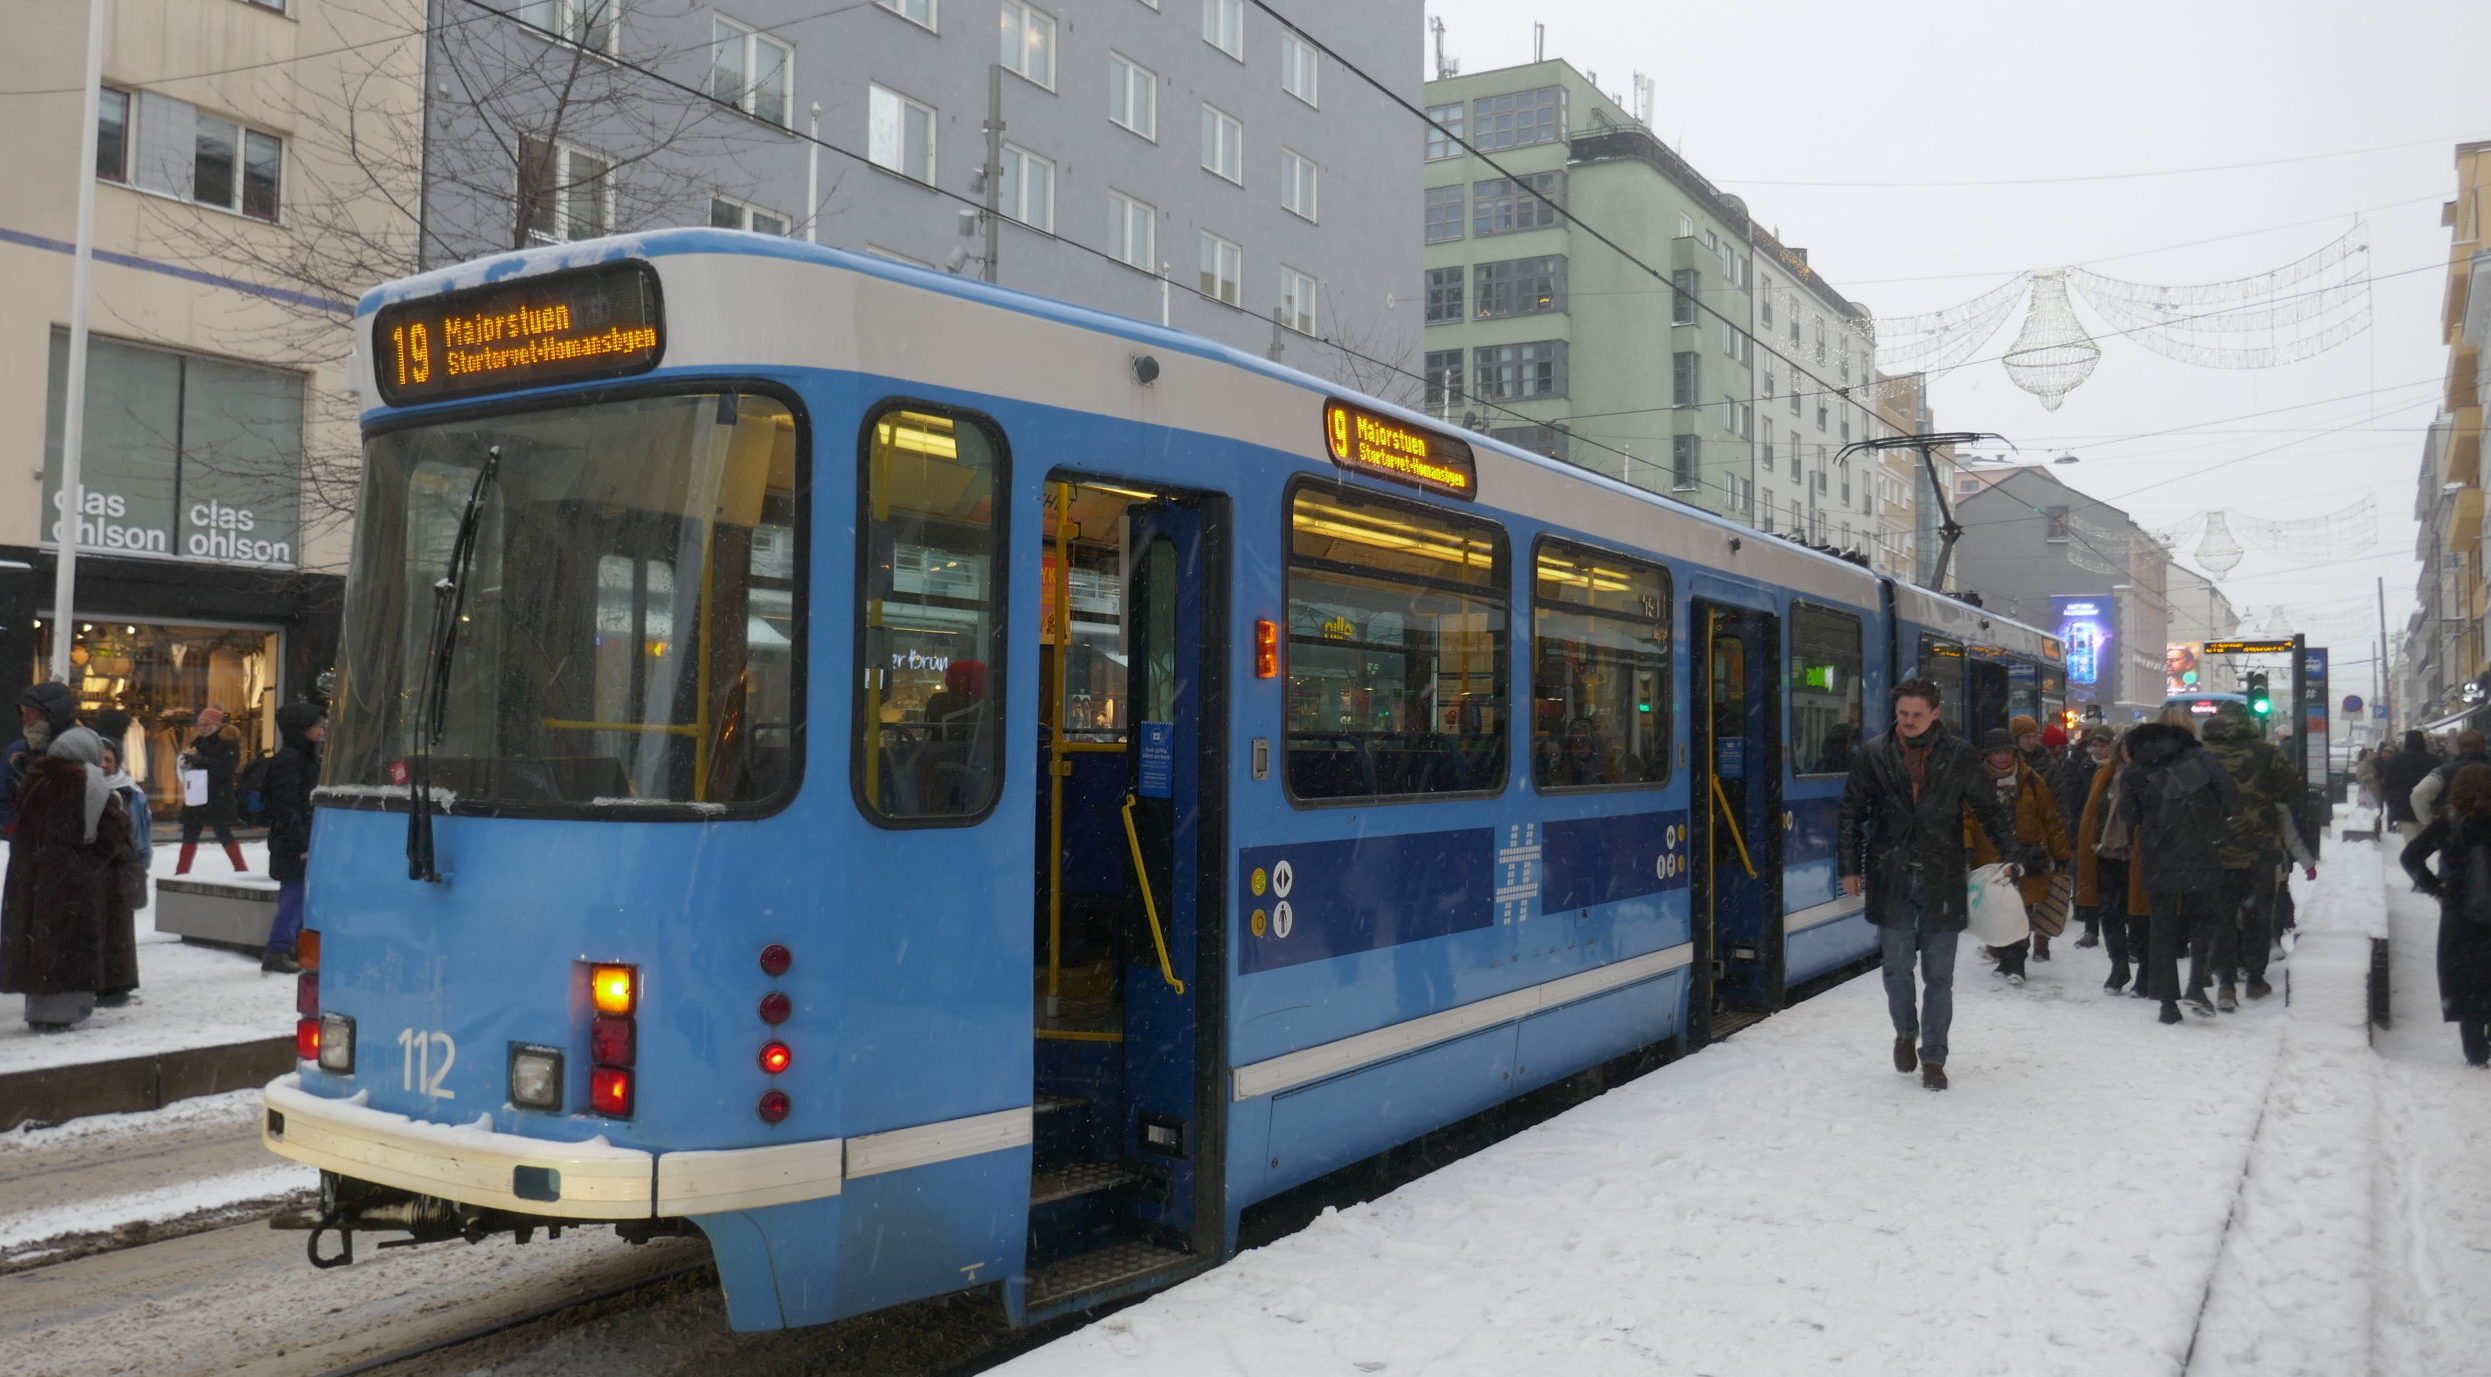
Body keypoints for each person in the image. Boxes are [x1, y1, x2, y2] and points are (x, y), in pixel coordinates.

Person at [1838, 678, 2019, 1091]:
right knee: (1896, 966)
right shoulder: (1873, 754)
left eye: (1918, 714)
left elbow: (1989, 809)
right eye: (1903, 714)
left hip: (1942, 874)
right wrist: (1849, 867)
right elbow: (1851, 812)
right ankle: (1905, 1030)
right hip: (1890, 873)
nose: (1909, 721)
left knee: (1939, 975)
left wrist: (2012, 856)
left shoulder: (1960, 755)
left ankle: (1934, 1057)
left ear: (1935, 714)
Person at [1, 726, 146, 1031]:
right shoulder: (88, 782)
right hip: (73, 880)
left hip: (34, 877)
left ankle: (42, 1012)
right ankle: (63, 1013)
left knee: (42, 945)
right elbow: (111, 834)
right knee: (69, 946)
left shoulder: (35, 779)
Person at [2119, 719, 2241, 1024]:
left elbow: (2128, 815)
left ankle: (2167, 1003)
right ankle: (2196, 985)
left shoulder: (2135, 769)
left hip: (2157, 853)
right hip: (2200, 849)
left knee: (2161, 926)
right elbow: (2230, 795)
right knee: (2206, 916)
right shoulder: (2200, 757)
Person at [2199, 703, 2305, 1009]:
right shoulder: (2268, 753)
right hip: (2260, 849)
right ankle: (2256, 979)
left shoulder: (2202, 754)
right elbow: (2292, 791)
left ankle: (2226, 985)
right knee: (2259, 914)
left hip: (2215, 848)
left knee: (2221, 916)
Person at [2398, 763, 2491, 1067]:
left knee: (2467, 977)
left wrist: (2436, 888)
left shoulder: (2449, 823)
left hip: (2461, 912)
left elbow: (2410, 856)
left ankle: (2475, 1045)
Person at [1965, 727, 2073, 983]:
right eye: (1996, 753)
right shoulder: (1975, 783)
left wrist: (2060, 854)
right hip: (1990, 857)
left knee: (2021, 909)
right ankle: (2004, 958)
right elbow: (1966, 818)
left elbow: (2051, 819)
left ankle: (2017, 963)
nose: (2002, 757)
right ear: (1987, 756)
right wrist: (1967, 846)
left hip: (2026, 856)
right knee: (1996, 910)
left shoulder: (2032, 781)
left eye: (2006, 752)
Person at [2078, 733, 2154, 996]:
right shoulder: (2105, 776)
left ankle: (2145, 971)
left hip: (2139, 857)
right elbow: (2092, 814)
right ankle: (2119, 966)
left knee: (2140, 916)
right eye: (2124, 746)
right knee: (2110, 914)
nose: (2128, 751)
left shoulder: (2153, 776)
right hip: (2107, 854)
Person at [261, 703, 325, 975]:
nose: (322, 730)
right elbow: (287, 805)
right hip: (294, 841)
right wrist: (300, 844)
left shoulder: (303, 757)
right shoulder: (291, 760)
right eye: (317, 725)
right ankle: (277, 949)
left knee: (300, 894)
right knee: (295, 894)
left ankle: (290, 947)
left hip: (302, 837)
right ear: (303, 729)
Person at [175, 705, 248, 875]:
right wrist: (186, 761)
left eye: (206, 725)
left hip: (217, 796)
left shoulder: (228, 743)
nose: (202, 728)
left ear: (216, 725)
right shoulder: (197, 742)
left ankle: (241, 869)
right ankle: (181, 872)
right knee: (190, 833)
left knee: (223, 832)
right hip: (197, 794)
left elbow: (225, 770)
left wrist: (201, 760)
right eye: (200, 724)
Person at [5, 682, 78, 839]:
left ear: (51, 714)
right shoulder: (19, 750)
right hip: (26, 842)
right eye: (23, 712)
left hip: (65, 844)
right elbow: (2, 794)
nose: (25, 718)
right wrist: (17, 828)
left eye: (31, 711)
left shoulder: (73, 749)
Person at [2409, 730, 2489, 829]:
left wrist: (2430, 822)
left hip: (2455, 829)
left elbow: (2419, 793)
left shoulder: (2444, 771)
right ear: (2483, 746)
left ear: (2459, 746)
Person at [2383, 730, 2439, 842]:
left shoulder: (2395, 760)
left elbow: (2388, 784)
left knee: (2411, 843)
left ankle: (2414, 858)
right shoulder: (2433, 760)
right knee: (2425, 843)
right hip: (2427, 806)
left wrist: (2392, 802)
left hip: (2403, 807)